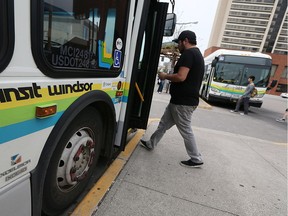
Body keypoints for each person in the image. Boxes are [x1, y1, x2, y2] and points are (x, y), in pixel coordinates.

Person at [140, 30, 205, 168]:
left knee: (186, 130)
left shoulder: (189, 54)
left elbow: (181, 76)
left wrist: (165, 76)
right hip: (179, 101)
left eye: (179, 43)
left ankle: (196, 158)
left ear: (185, 41)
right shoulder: (197, 54)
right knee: (163, 124)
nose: (178, 46)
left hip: (183, 102)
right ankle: (151, 143)